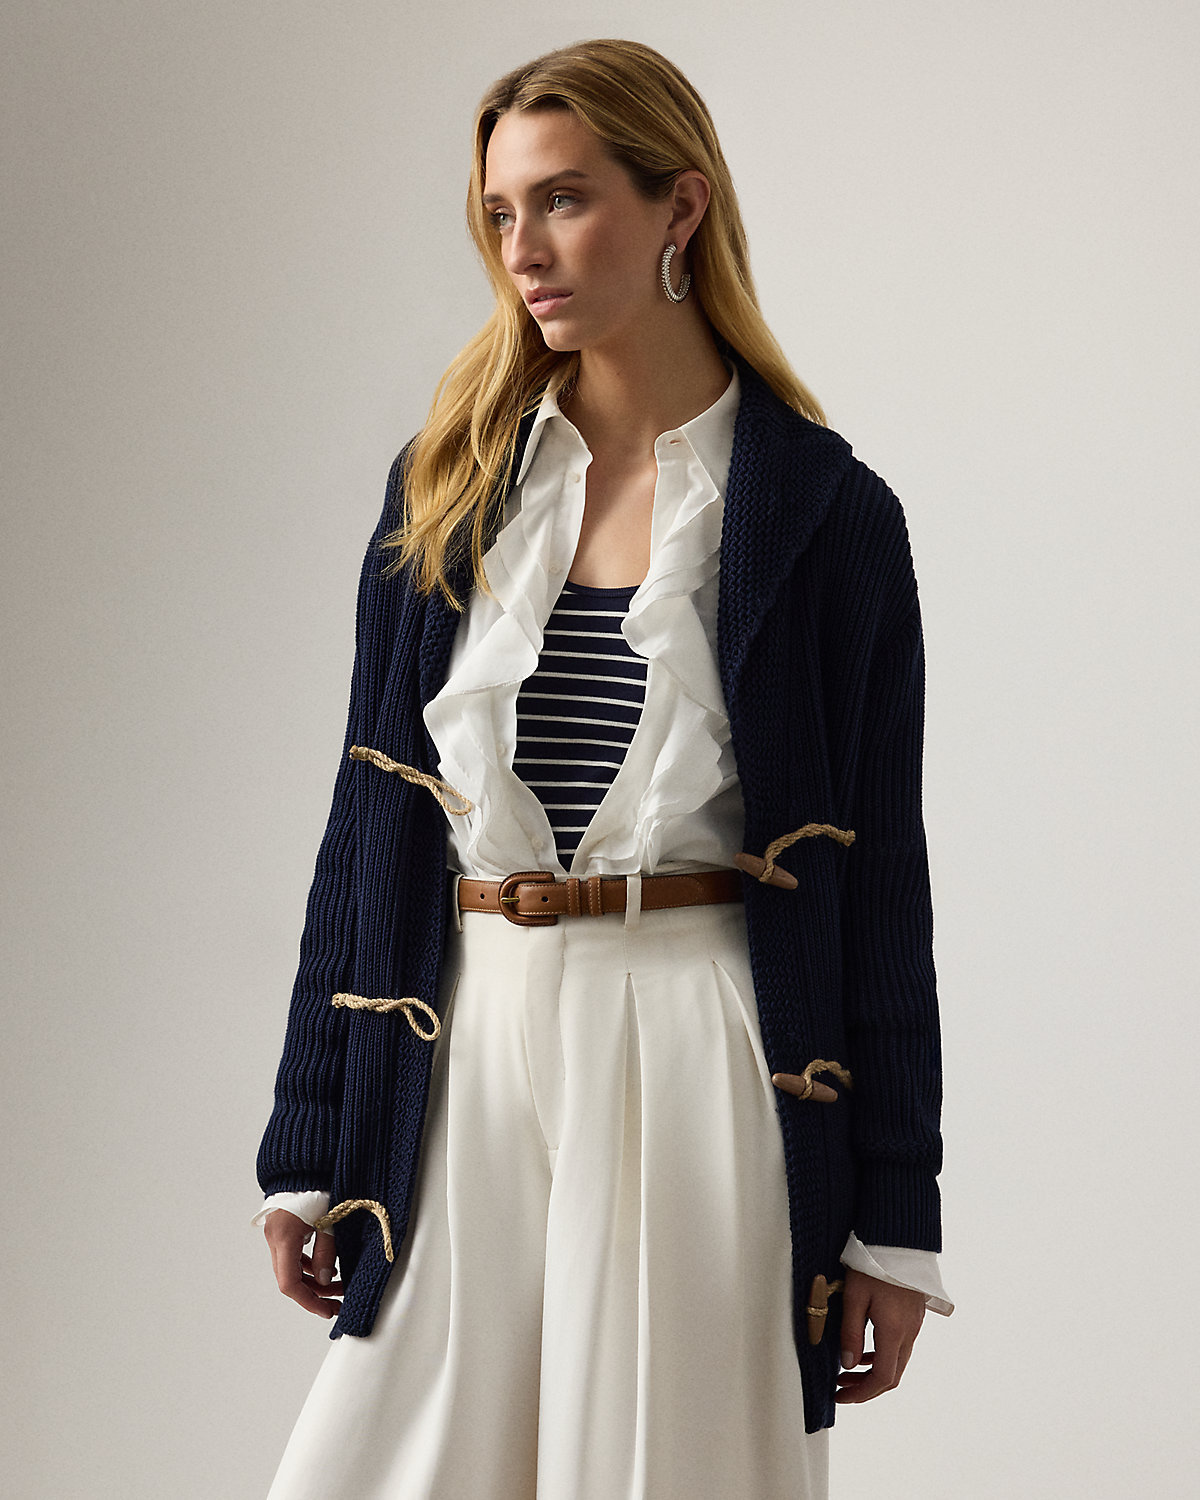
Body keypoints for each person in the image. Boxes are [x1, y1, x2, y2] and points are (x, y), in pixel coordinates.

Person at [254, 37, 952, 1500]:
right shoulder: (448, 483)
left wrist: (894, 1222)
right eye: (501, 213)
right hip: (465, 1037)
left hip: (695, 1042)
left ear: (679, 205)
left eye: (564, 201)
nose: (524, 250)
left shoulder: (827, 514)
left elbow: (883, 873)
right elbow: (366, 822)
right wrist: (310, 1138)